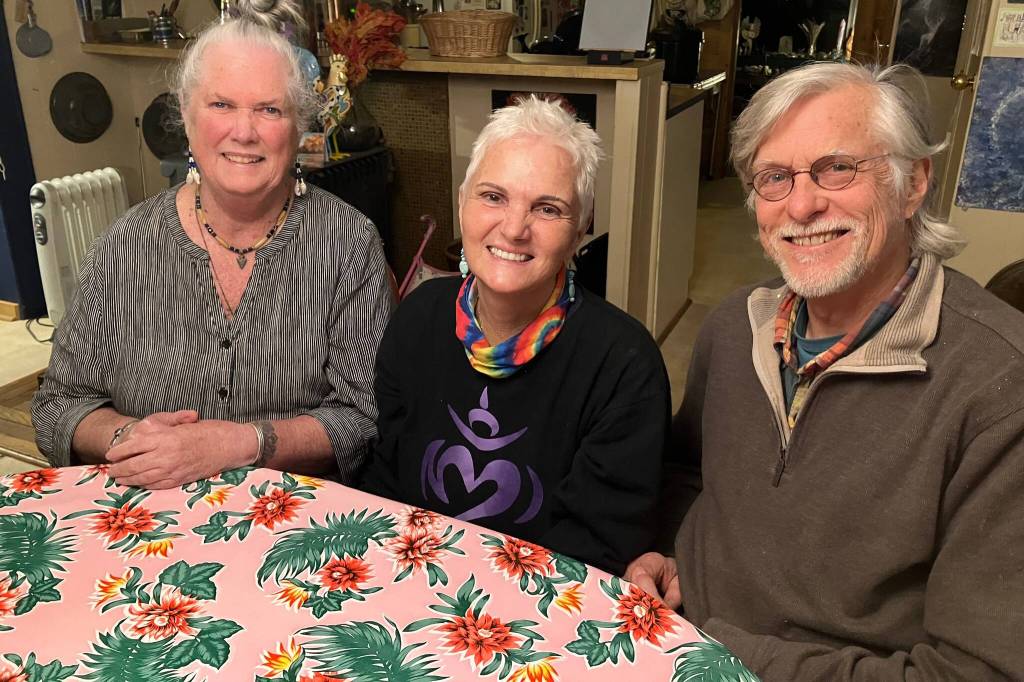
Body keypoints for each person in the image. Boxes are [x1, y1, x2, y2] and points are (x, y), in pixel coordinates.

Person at [626, 62, 1024, 679]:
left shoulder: (1001, 389)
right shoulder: (734, 327)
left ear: (913, 183)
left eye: (837, 167)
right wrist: (674, 552)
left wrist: (725, 654)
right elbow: (689, 471)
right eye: (774, 177)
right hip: (675, 644)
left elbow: (976, 673)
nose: (803, 205)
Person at [31, 0, 393, 489]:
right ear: (186, 114)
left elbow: (363, 417)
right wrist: (129, 436)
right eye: (221, 105)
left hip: (294, 515)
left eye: (269, 109)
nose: (244, 132)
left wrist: (240, 443)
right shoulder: (123, 246)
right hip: (152, 513)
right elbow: (58, 406)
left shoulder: (347, 244)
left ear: (298, 125)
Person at [361, 96, 670, 575]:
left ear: (580, 228)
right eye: (493, 197)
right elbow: (386, 476)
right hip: (409, 573)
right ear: (461, 203)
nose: (513, 228)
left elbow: (596, 546)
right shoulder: (417, 317)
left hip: (538, 599)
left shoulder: (625, 366)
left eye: (547, 208)